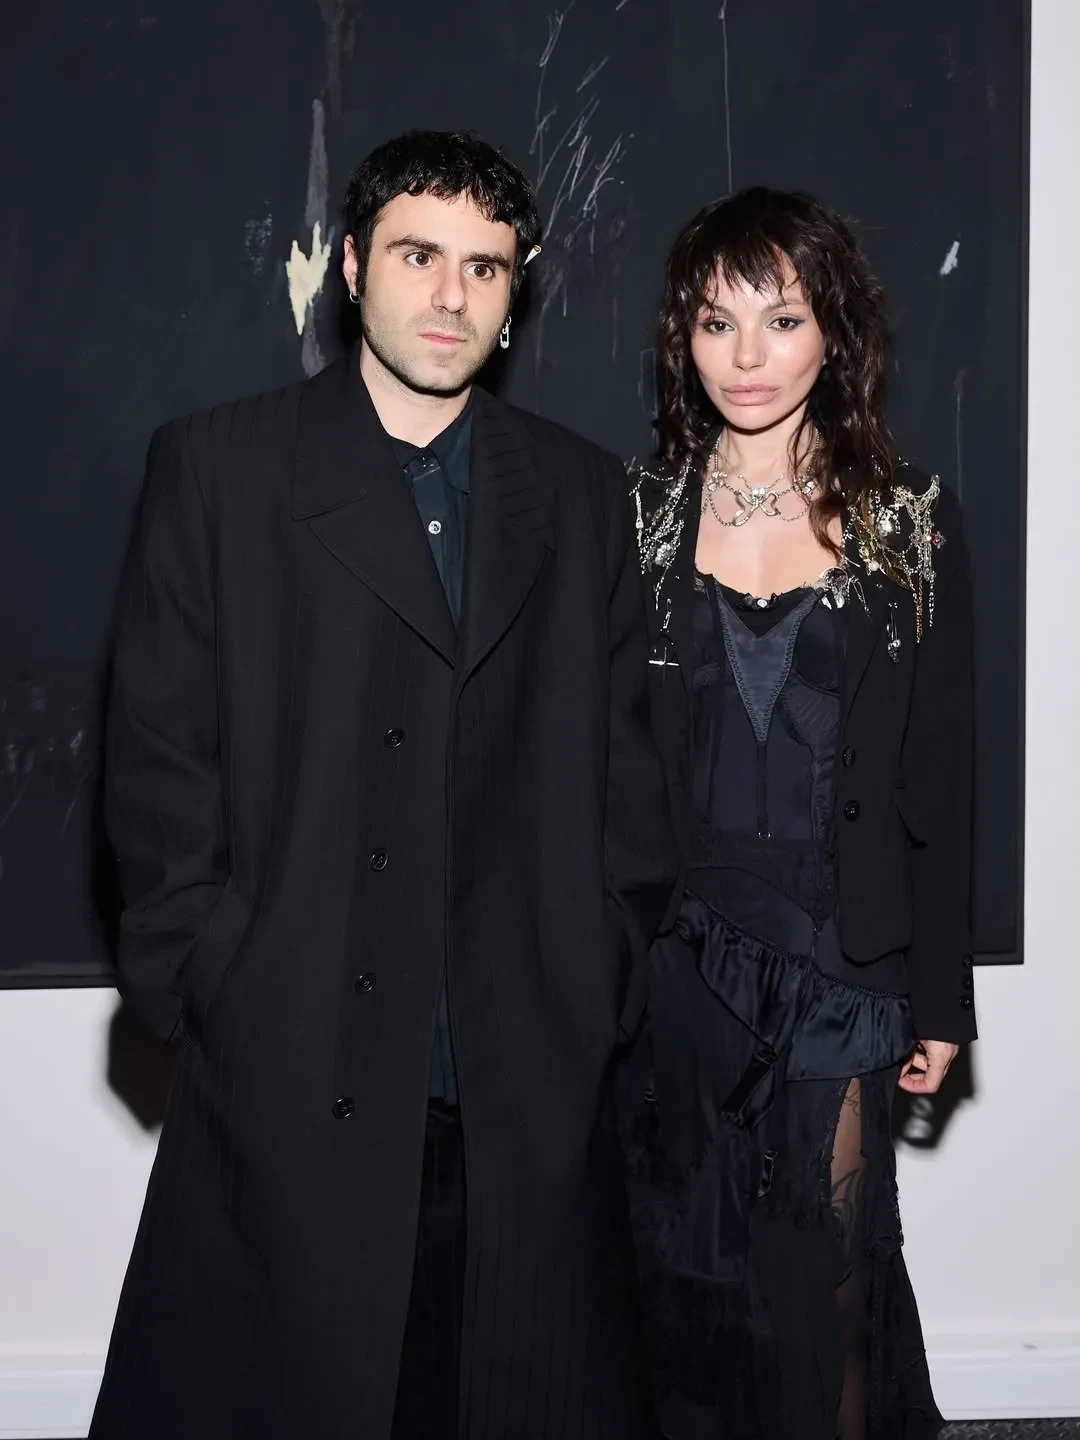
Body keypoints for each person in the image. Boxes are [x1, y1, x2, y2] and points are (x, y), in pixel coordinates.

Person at [90, 129, 675, 1440]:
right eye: (420, 256)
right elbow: (157, 763)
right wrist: (206, 975)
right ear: (352, 266)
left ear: (516, 293)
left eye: (487, 267)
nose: (452, 295)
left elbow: (628, 779)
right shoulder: (220, 468)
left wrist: (601, 974)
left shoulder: (582, 495)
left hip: (519, 1073)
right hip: (291, 1060)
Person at [623, 187, 976, 1439]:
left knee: (829, 1278)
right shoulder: (640, 516)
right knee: (687, 1286)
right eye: (717, 323)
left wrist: (942, 1000)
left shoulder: (908, 520)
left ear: (834, 330)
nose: (749, 356)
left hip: (842, 961)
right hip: (680, 960)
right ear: (684, 336)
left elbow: (943, 780)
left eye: (781, 320)